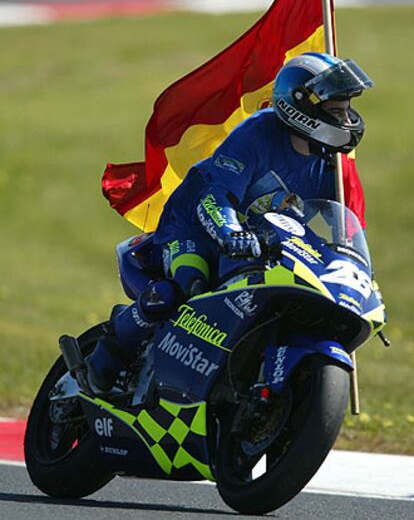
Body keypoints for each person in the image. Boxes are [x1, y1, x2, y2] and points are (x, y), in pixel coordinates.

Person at [87, 51, 374, 393]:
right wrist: (230, 232)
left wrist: (354, 266)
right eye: (335, 112)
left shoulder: (333, 164)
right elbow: (215, 193)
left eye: (346, 110)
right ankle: (109, 354)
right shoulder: (258, 133)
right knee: (184, 288)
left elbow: (342, 223)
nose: (346, 120)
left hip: (263, 243)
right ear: (303, 108)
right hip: (194, 228)